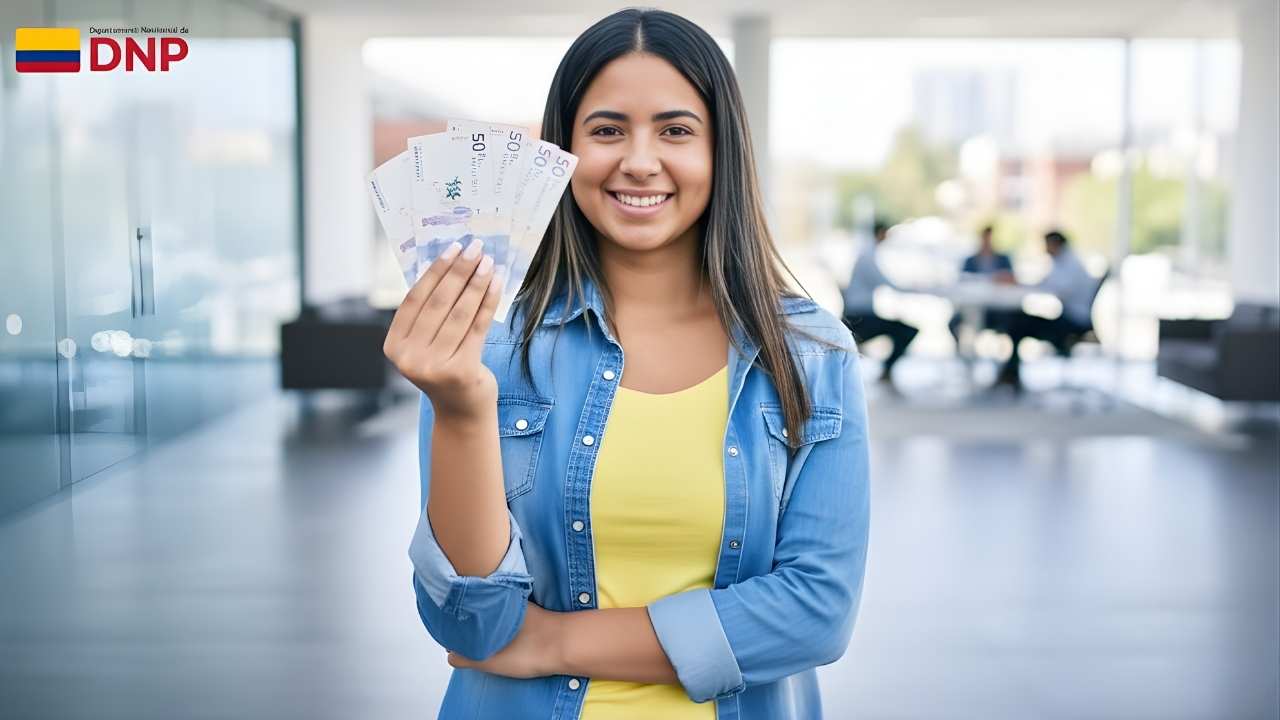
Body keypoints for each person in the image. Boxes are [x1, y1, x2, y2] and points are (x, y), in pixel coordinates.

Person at [382, 9, 871, 720]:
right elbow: (472, 627)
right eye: (607, 131)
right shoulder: (489, 346)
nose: (639, 161)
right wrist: (460, 410)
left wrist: (552, 642)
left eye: (675, 131)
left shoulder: (810, 355)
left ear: (722, 152)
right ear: (563, 152)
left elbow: (816, 614)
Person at [994, 229, 1099, 391]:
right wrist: (1021, 283)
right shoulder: (1063, 261)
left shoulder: (1071, 264)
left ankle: (1010, 375)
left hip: (1073, 322)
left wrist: (1021, 284)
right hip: (1068, 318)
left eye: (1046, 245)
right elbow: (1046, 283)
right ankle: (1010, 375)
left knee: (1018, 324)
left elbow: (1056, 288)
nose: (1045, 249)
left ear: (1055, 244)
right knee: (1018, 322)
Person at [841, 219, 919, 385]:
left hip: (861, 314)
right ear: (882, 232)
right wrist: (912, 289)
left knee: (902, 328)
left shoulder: (868, 253)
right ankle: (887, 369)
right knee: (908, 331)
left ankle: (886, 369)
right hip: (859, 317)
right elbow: (884, 282)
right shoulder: (868, 256)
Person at [948, 224, 1015, 342]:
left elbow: (1012, 280)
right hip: (973, 304)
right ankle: (967, 349)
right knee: (959, 320)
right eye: (985, 238)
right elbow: (962, 281)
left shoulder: (1003, 260)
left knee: (1012, 321)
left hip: (997, 306)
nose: (987, 242)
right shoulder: (970, 261)